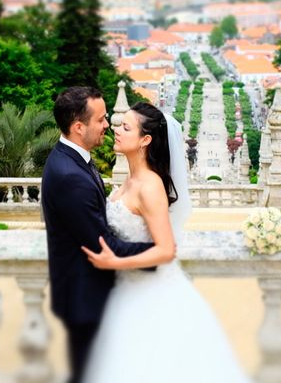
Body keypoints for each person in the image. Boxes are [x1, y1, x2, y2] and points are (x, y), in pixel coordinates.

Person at [81, 102, 250, 383]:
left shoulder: (150, 186)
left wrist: (116, 262)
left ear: (145, 140)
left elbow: (166, 249)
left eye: (125, 127)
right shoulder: (128, 180)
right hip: (125, 291)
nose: (116, 131)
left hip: (151, 291)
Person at [41, 87, 154, 383]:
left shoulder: (75, 159)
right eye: (102, 120)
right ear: (79, 127)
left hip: (89, 292)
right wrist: (156, 253)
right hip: (86, 297)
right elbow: (103, 246)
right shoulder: (70, 176)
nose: (108, 125)